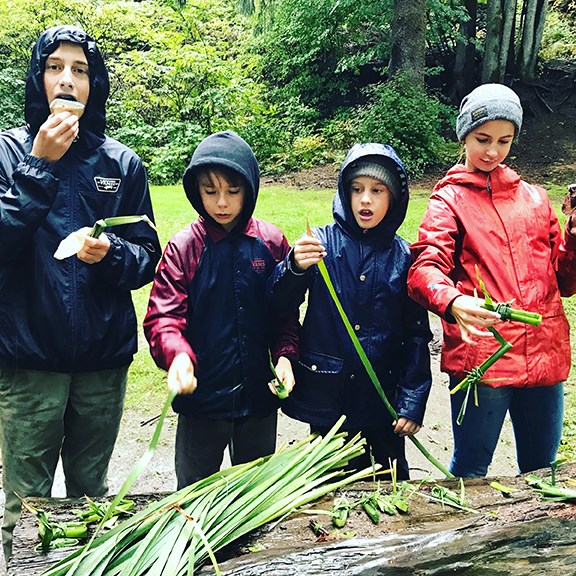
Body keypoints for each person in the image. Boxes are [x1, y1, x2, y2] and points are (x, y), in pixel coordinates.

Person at [0, 25, 161, 561]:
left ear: (96, 85)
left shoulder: (120, 163)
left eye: (80, 70)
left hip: (101, 363)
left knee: (91, 503)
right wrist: (39, 165)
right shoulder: (8, 152)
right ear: (37, 77)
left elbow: (147, 258)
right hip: (29, 361)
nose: (67, 80)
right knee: (26, 509)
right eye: (54, 67)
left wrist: (112, 253)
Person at [407, 83, 576, 478]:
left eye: (505, 140)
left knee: (542, 474)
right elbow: (424, 267)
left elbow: (564, 281)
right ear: (464, 134)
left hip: (544, 354)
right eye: (482, 139)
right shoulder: (448, 201)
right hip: (485, 358)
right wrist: (451, 301)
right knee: (470, 472)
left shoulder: (534, 198)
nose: (493, 151)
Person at [267, 143, 433, 480]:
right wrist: (293, 268)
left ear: (395, 198)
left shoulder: (404, 257)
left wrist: (412, 400)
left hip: (381, 400)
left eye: (377, 190)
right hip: (329, 398)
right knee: (328, 486)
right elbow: (278, 306)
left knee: (389, 483)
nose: (366, 199)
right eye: (356, 189)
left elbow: (417, 334)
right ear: (345, 193)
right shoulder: (320, 244)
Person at [144, 130, 298, 489]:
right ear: (196, 191)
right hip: (202, 401)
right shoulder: (184, 247)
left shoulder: (271, 242)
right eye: (210, 191)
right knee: (193, 496)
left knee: (255, 497)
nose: (222, 203)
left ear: (250, 189)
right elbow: (163, 316)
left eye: (233, 191)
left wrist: (287, 356)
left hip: (259, 398)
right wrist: (177, 356)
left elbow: (284, 312)